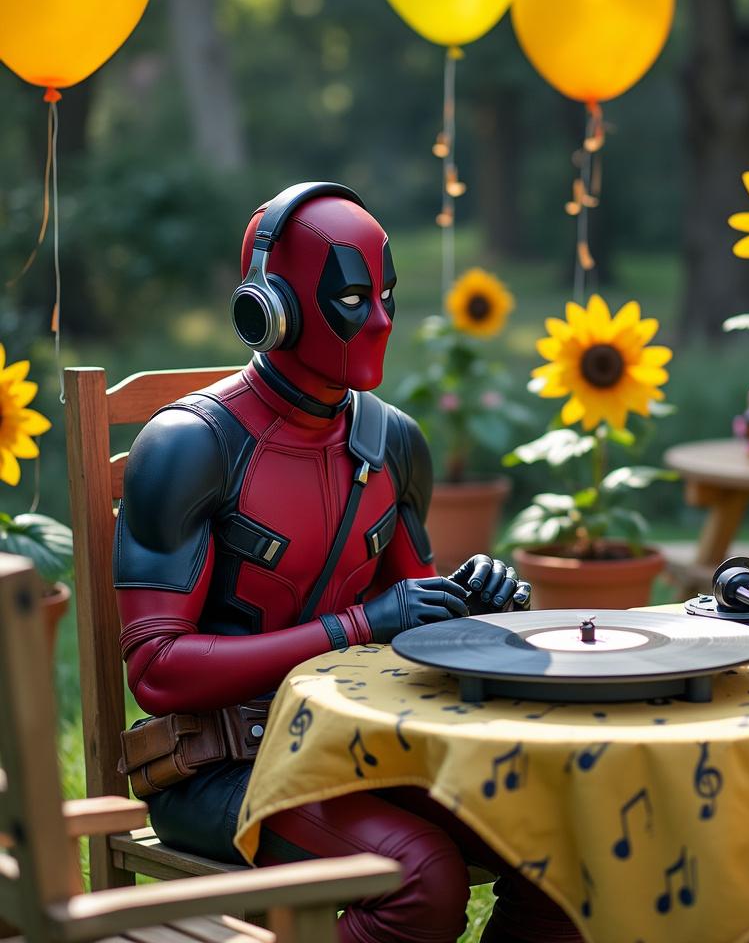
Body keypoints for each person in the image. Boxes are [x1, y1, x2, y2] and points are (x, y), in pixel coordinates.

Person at [114, 183, 584, 943]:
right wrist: (359, 625)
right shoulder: (191, 446)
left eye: (386, 297)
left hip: (362, 747)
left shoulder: (392, 442)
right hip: (218, 768)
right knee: (421, 880)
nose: (380, 321)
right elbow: (158, 672)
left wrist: (471, 603)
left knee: (562, 845)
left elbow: (416, 619)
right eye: (353, 299)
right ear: (270, 308)